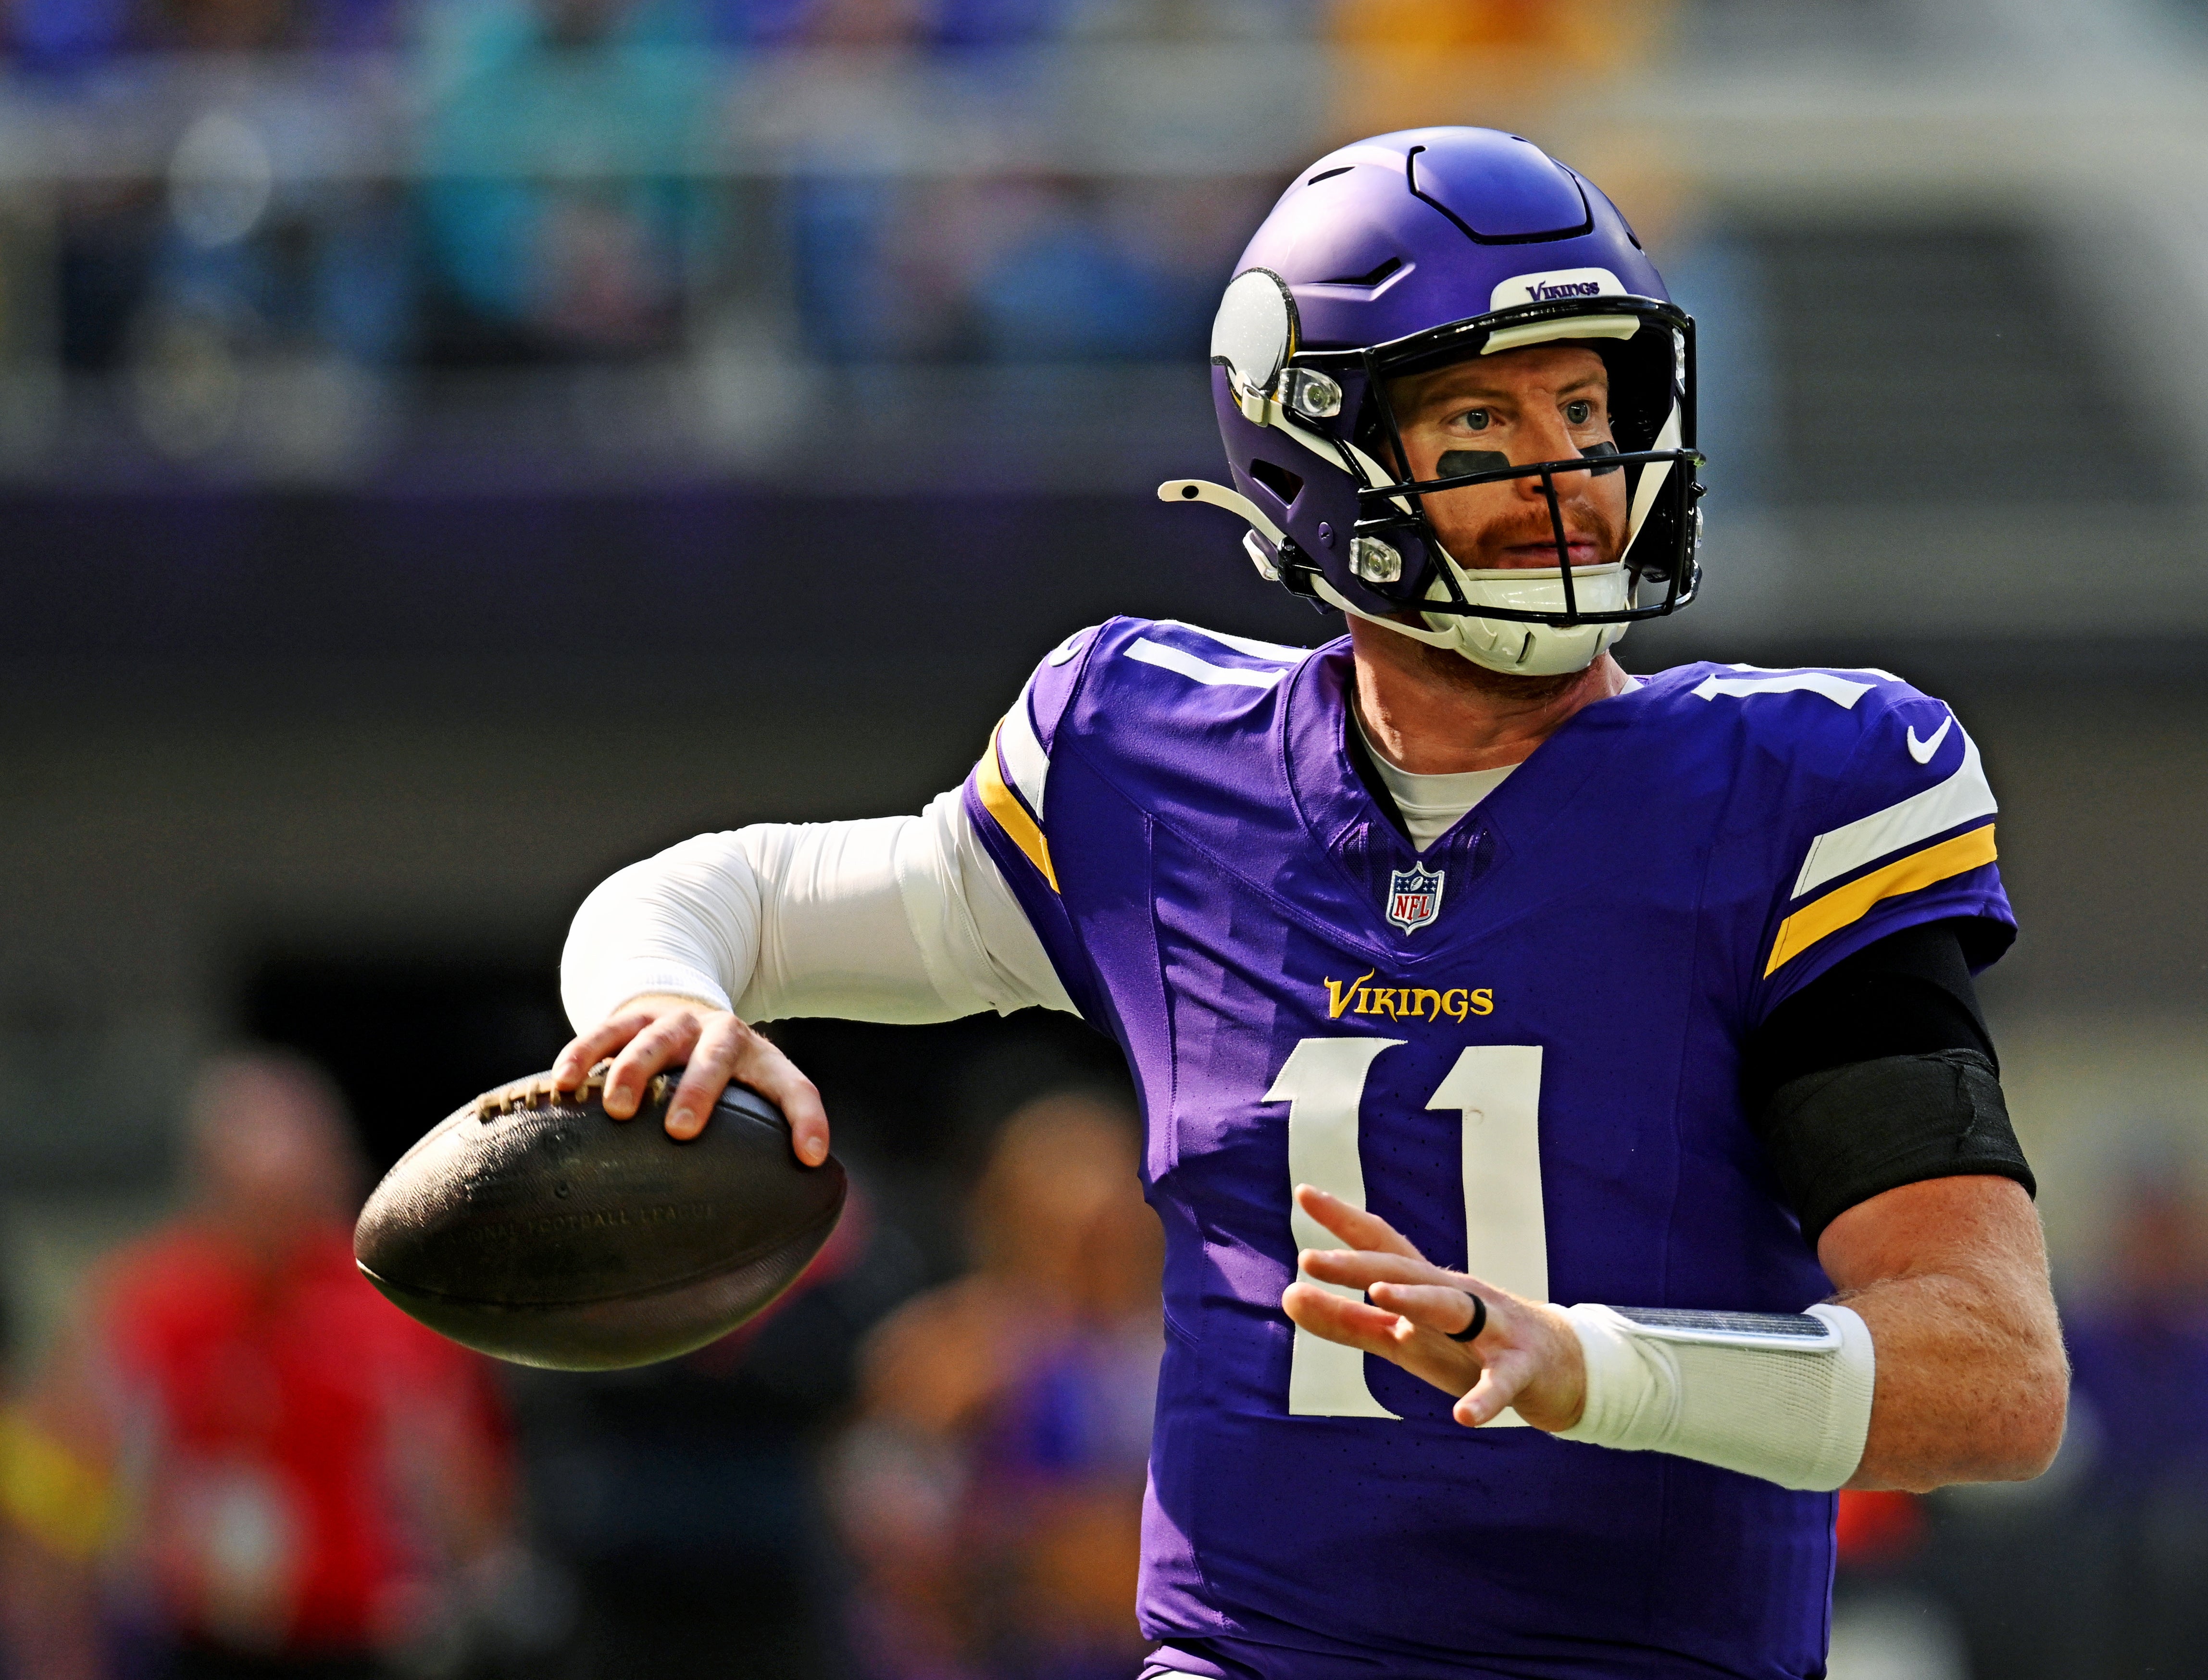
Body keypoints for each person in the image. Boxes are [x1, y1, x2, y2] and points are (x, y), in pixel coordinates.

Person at [550, 126, 2068, 1678]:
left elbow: (1993, 1375)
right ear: (1317, 449)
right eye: (1482, 420)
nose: (1567, 477)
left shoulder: (1795, 791)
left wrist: (1588, 1365)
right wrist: (661, 1000)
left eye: (1584, 409)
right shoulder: (1149, 759)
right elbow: (725, 894)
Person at [4, 1050, 510, 1680]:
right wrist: (60, 1643)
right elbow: (58, 1487)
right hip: (191, 1641)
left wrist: (468, 1595)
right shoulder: (146, 1304)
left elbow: (468, 1491)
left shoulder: (395, 1308)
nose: (274, 1233)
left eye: (292, 1199)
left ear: (335, 1176)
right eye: (251, 1199)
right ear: (209, 1186)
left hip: (360, 1639)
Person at [836, 1091, 1163, 1679]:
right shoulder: (938, 1353)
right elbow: (889, 1548)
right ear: (1003, 1222)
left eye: (1109, 1237)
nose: (1088, 1266)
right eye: (1056, 1236)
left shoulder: (1191, 1359)